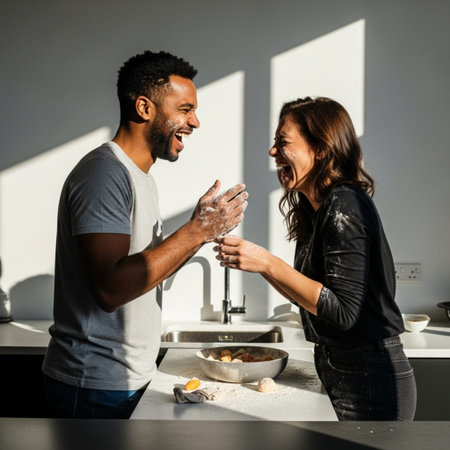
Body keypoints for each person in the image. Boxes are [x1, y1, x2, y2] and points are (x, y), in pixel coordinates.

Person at [42, 50, 248, 419]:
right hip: (93, 384)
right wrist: (194, 230)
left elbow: (147, 273)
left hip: (124, 379)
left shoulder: (141, 178)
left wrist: (200, 234)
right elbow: (110, 289)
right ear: (144, 108)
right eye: (185, 109)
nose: (195, 122)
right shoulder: (104, 175)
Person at [214, 97, 416, 421]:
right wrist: (259, 265)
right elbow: (313, 296)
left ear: (320, 149)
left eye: (283, 143)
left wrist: (266, 262)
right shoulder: (316, 211)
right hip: (344, 370)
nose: (272, 152)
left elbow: (343, 312)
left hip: (369, 380)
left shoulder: (344, 204)